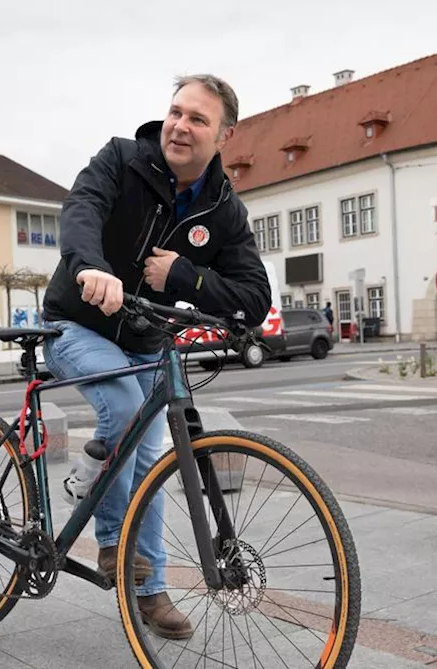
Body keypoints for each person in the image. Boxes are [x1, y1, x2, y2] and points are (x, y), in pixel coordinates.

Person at [40, 74, 272, 640]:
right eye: (176, 112)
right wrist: (90, 266)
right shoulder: (121, 159)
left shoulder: (223, 209)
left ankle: (150, 589)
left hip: (144, 340)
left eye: (197, 119)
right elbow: (82, 210)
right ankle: (115, 548)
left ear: (224, 136)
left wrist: (185, 276)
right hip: (76, 323)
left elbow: (254, 297)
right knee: (121, 407)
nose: (180, 126)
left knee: (151, 458)